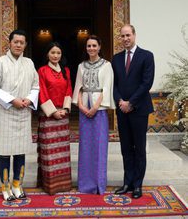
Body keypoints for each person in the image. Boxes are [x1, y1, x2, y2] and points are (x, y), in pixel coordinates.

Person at [0, 29, 39, 201]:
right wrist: (12, 100)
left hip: (23, 112)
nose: (18, 45)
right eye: (15, 41)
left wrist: (29, 100)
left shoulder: (29, 63)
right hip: (6, 112)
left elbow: (36, 86)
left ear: (25, 44)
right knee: (4, 151)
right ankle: (5, 187)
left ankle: (17, 184)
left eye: (21, 42)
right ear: (9, 43)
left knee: (20, 151)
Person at [111, 24, 155, 199]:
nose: (125, 39)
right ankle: (127, 182)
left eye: (128, 35)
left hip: (139, 109)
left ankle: (138, 184)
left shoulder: (147, 56)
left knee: (139, 148)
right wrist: (121, 101)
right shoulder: (116, 58)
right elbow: (113, 84)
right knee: (126, 148)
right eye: (122, 36)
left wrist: (131, 102)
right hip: (122, 110)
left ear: (134, 35)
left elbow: (147, 83)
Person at [72, 35, 115, 195]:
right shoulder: (81, 66)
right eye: (89, 46)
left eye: (94, 46)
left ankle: (98, 184)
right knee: (85, 147)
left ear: (99, 47)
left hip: (99, 110)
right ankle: (84, 185)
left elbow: (107, 88)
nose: (91, 48)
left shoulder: (107, 65)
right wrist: (82, 107)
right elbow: (78, 88)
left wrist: (95, 107)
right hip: (84, 110)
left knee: (99, 146)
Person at [37, 41, 73, 195]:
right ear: (47, 54)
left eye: (58, 53)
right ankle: (50, 186)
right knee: (49, 153)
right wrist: (53, 112)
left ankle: (64, 184)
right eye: (53, 52)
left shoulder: (66, 70)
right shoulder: (42, 71)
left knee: (63, 153)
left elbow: (69, 89)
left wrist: (65, 109)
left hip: (63, 116)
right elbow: (42, 92)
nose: (56, 55)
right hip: (48, 117)